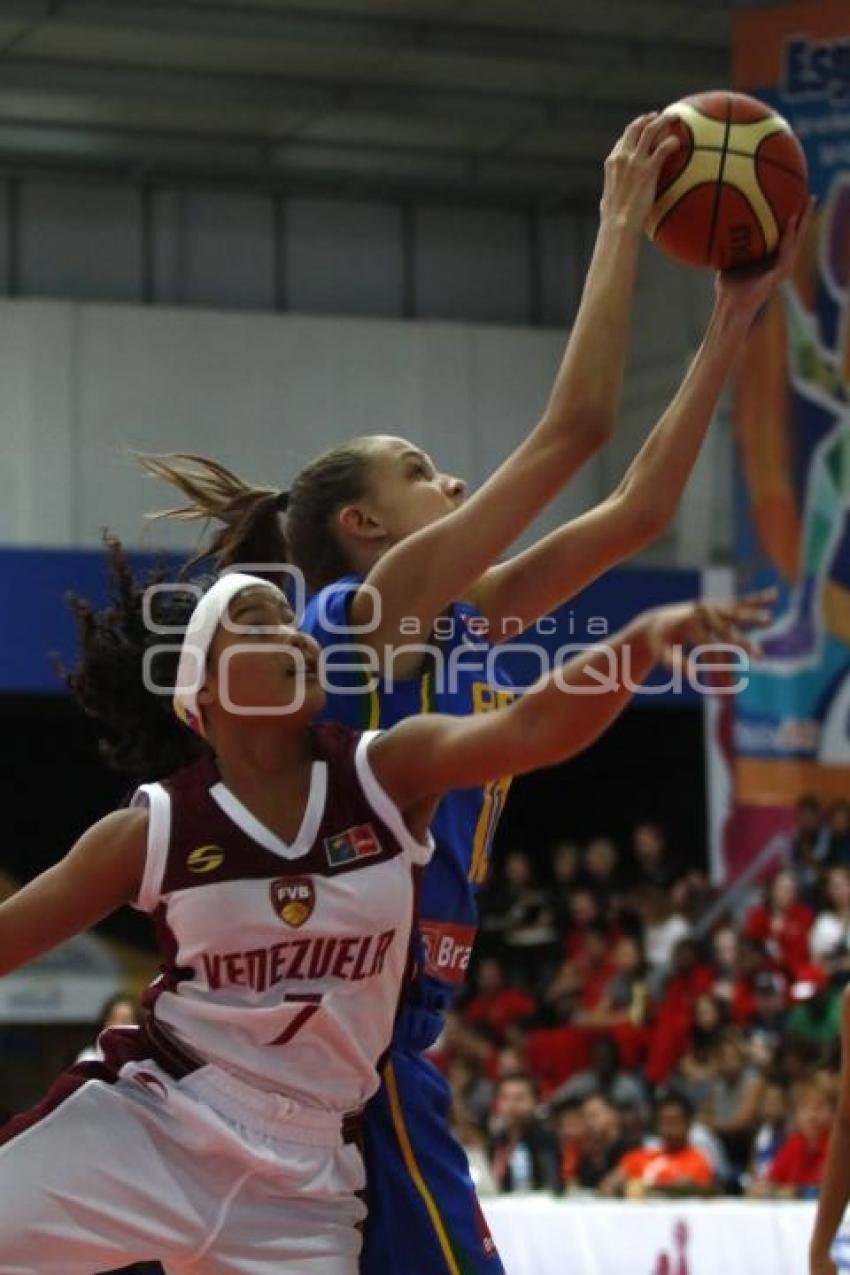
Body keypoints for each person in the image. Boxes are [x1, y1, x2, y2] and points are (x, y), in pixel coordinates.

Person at [140, 160, 807, 1274]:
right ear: (363, 523)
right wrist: (617, 221)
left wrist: (732, 317)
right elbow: (578, 429)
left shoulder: (466, 624)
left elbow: (639, 507)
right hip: (352, 1049)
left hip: (386, 1036)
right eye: (422, 472)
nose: (452, 485)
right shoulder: (362, 620)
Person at [0, 548, 769, 1269]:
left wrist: (640, 640)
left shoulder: (384, 770)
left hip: (305, 1179)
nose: (294, 636)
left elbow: (532, 728)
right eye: (260, 624)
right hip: (156, 1123)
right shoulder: (157, 828)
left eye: (293, 622)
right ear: (203, 689)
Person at [600, 1092, 715, 1199]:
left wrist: (643, 1190)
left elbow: (683, 1191)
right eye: (664, 1122)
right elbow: (608, 1184)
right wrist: (616, 1188)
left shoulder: (698, 1161)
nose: (668, 1130)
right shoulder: (638, 1156)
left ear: (688, 1124)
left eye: (674, 1122)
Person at [488, 1073, 562, 1194]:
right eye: (505, 1098)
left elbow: (552, 1184)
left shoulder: (545, 1138)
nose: (511, 1105)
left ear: (536, 1101)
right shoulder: (497, 1140)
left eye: (519, 1098)